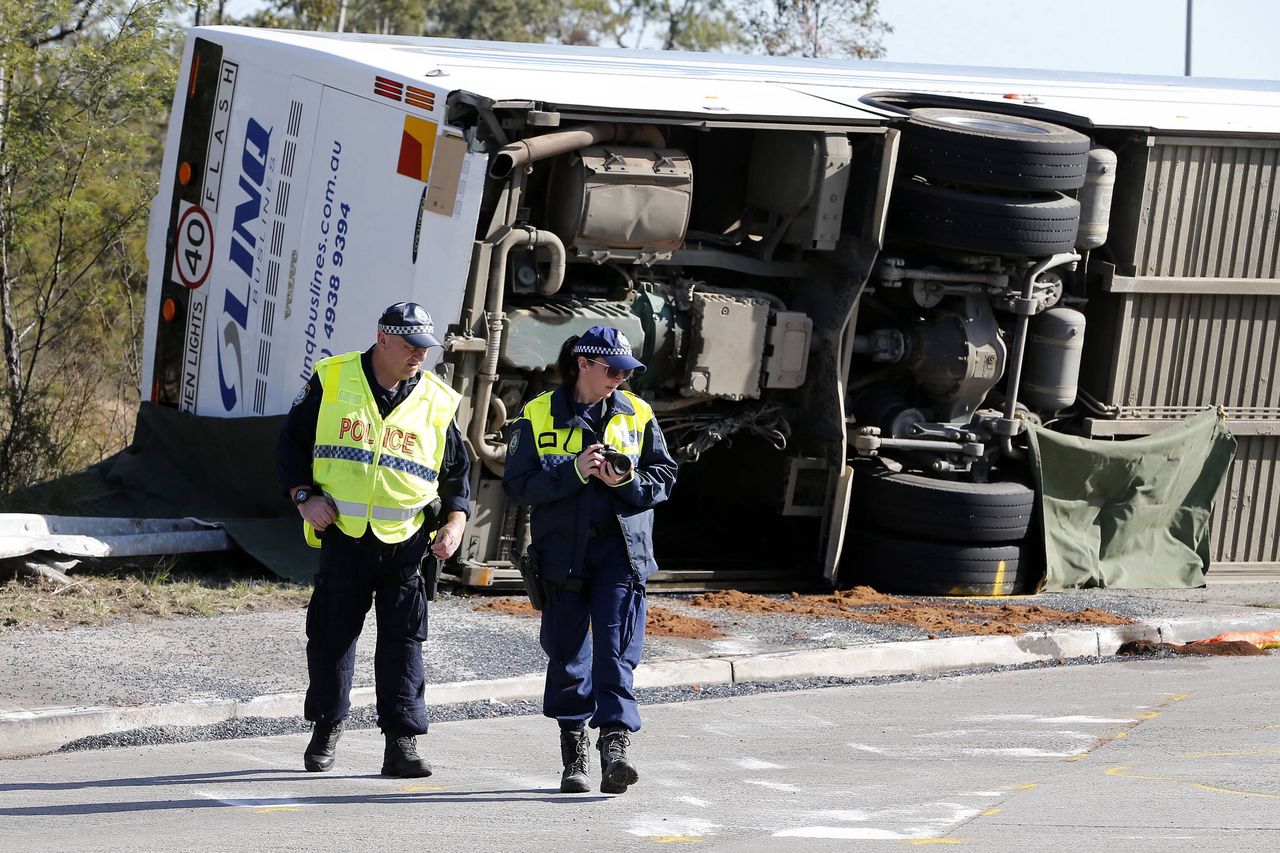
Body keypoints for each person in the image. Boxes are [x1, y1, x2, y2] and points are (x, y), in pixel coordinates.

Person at [276, 301, 470, 778]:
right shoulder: (333, 378)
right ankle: (325, 733)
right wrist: (304, 496)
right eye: (409, 346)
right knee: (330, 639)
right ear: (382, 339)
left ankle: (400, 745)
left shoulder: (437, 399)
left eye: (425, 348)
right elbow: (290, 445)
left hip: (408, 544)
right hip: (344, 535)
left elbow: (457, 476)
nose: (419, 356)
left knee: (404, 643)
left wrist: (455, 523)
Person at [503, 325, 678, 795]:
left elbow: (664, 476)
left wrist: (625, 481)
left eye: (627, 370)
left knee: (617, 648)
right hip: (562, 552)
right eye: (613, 369)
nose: (620, 378)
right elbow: (518, 486)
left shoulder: (637, 413)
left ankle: (615, 747)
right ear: (584, 363)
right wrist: (574, 471)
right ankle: (574, 746)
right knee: (566, 652)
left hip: (621, 550)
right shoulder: (538, 413)